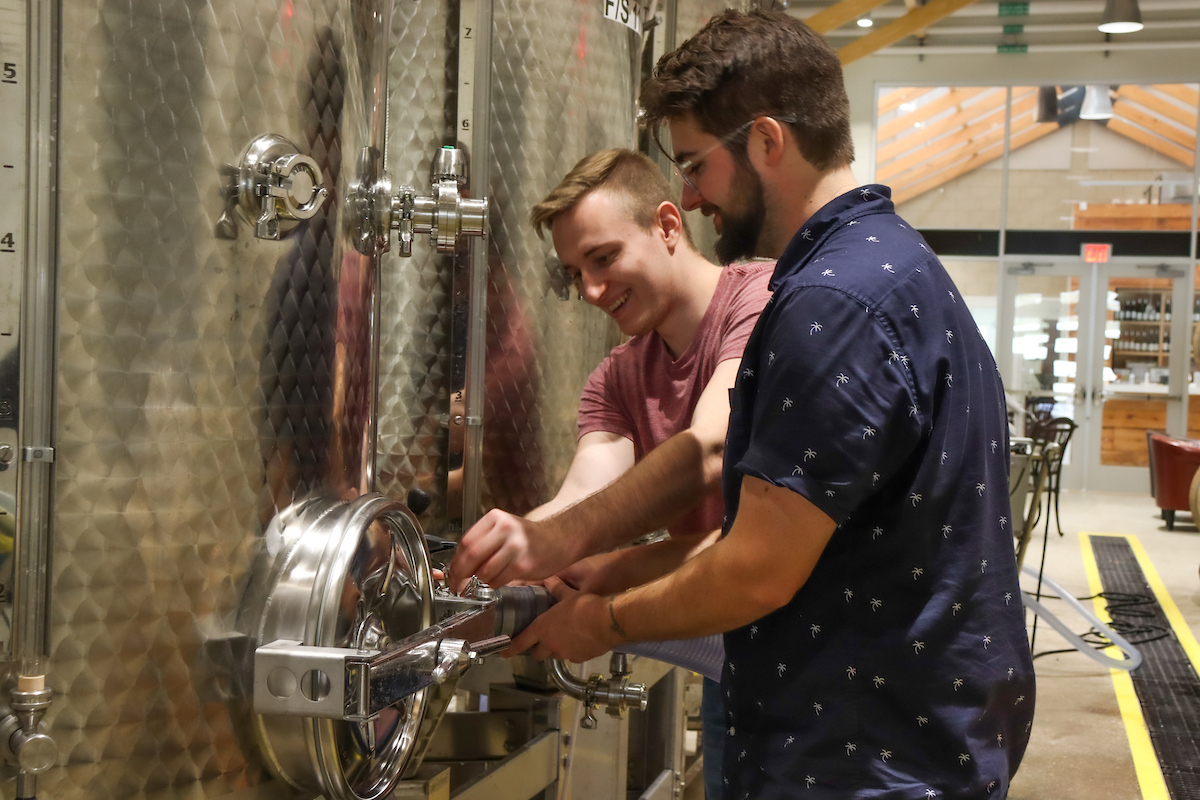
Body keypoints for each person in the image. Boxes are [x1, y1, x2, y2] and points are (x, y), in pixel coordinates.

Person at [503, 10, 1036, 800]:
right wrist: (598, 569)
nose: (688, 194)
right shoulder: (894, 264)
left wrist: (603, 623)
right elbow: (775, 539)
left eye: (693, 166)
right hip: (909, 744)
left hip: (863, 760)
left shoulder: (831, 304)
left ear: (765, 141)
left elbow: (755, 570)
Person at [449, 147, 773, 798]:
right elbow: (583, 503)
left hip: (824, 654)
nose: (592, 291)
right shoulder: (618, 378)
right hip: (731, 664)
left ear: (668, 225)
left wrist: (551, 543)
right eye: (575, 272)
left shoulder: (762, 302)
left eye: (604, 258)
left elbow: (711, 448)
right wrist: (494, 561)